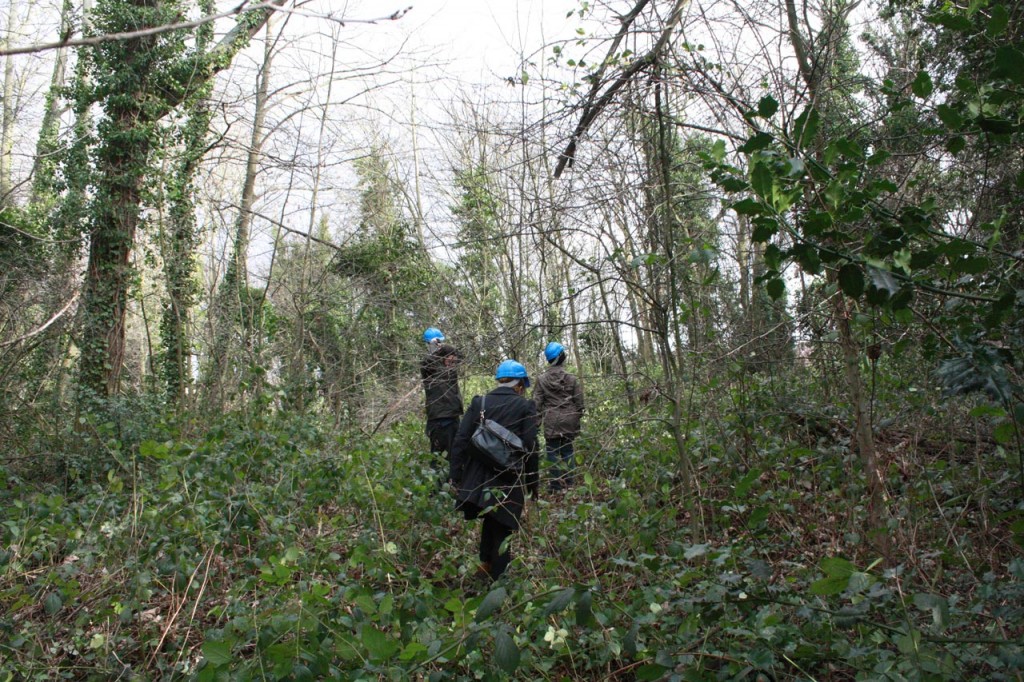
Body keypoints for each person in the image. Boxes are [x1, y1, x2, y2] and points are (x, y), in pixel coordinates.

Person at [450, 360, 539, 583]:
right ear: (519, 385)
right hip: (508, 478)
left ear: (500, 381)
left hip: (478, 479)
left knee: (490, 520)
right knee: (502, 528)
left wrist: (456, 476)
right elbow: (530, 448)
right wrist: (531, 485)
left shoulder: (480, 403)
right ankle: (499, 584)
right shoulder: (525, 407)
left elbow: (460, 440)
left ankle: (485, 567)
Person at [533, 341, 584, 492]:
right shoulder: (572, 378)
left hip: (552, 421)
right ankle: (569, 484)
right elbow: (580, 401)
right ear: (561, 357)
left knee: (552, 452)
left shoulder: (542, 380)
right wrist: (576, 416)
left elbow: (537, 404)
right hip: (569, 418)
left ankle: (555, 486)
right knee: (568, 450)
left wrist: (535, 424)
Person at [420, 327, 463, 480]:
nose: (452, 361)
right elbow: (428, 362)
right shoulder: (429, 367)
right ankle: (435, 492)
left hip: (453, 418)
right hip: (439, 421)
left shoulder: (450, 369)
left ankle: (452, 487)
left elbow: (461, 355)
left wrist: (444, 348)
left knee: (455, 456)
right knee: (437, 459)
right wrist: (434, 348)